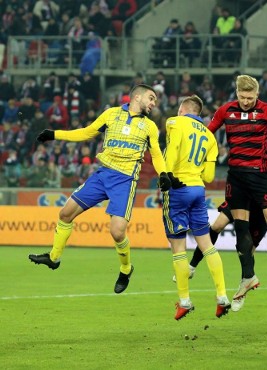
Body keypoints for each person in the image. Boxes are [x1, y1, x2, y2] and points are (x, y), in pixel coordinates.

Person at [28, 84, 173, 294]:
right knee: (65, 213)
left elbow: (157, 154)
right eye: (151, 98)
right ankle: (54, 258)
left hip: (125, 180)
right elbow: (86, 133)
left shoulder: (149, 126)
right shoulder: (111, 114)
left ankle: (125, 269)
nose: (153, 103)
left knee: (116, 231)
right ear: (137, 96)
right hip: (102, 174)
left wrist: (164, 174)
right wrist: (55, 134)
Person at [178, 126, 267, 312]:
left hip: (265, 201)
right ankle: (192, 266)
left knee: (249, 247)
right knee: (218, 224)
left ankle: (244, 287)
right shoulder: (260, 140)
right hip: (244, 193)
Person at [207, 75, 267, 305]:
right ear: (236, 93)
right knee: (240, 228)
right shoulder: (225, 110)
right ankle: (248, 275)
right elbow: (208, 133)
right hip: (236, 176)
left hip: (260, 174)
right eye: (242, 97)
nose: (246, 101)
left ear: (257, 95)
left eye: (250, 97)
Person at [162, 95, 231, 320]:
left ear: (182, 109)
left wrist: (167, 176)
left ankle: (184, 301)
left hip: (178, 189)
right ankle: (222, 296)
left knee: (178, 247)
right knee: (207, 245)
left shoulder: (175, 122)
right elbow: (209, 176)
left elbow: (171, 151)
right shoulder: (209, 137)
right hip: (198, 191)